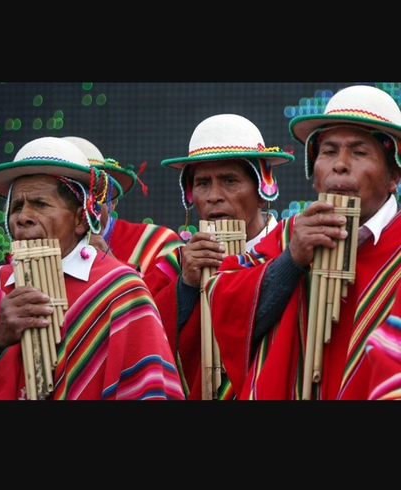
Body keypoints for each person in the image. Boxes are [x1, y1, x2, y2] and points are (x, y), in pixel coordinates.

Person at [206, 84, 401, 400]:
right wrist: (291, 260)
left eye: (359, 151)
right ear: (315, 174)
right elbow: (225, 306)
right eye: (328, 151)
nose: (339, 164)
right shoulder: (288, 235)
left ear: (393, 175)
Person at [0, 136, 185, 401]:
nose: (22, 217)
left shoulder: (121, 290)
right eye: (17, 206)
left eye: (40, 204)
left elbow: (147, 390)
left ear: (80, 219)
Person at [153, 113, 295, 399]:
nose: (213, 196)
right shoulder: (173, 266)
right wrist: (186, 287)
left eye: (229, 180)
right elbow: (148, 343)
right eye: (203, 183)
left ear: (262, 192)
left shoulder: (293, 251)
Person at [62, 136, 184, 295]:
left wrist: (112, 267)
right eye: (64, 197)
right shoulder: (24, 255)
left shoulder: (158, 243)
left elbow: (166, 311)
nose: (81, 208)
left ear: (112, 201)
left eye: (92, 194)